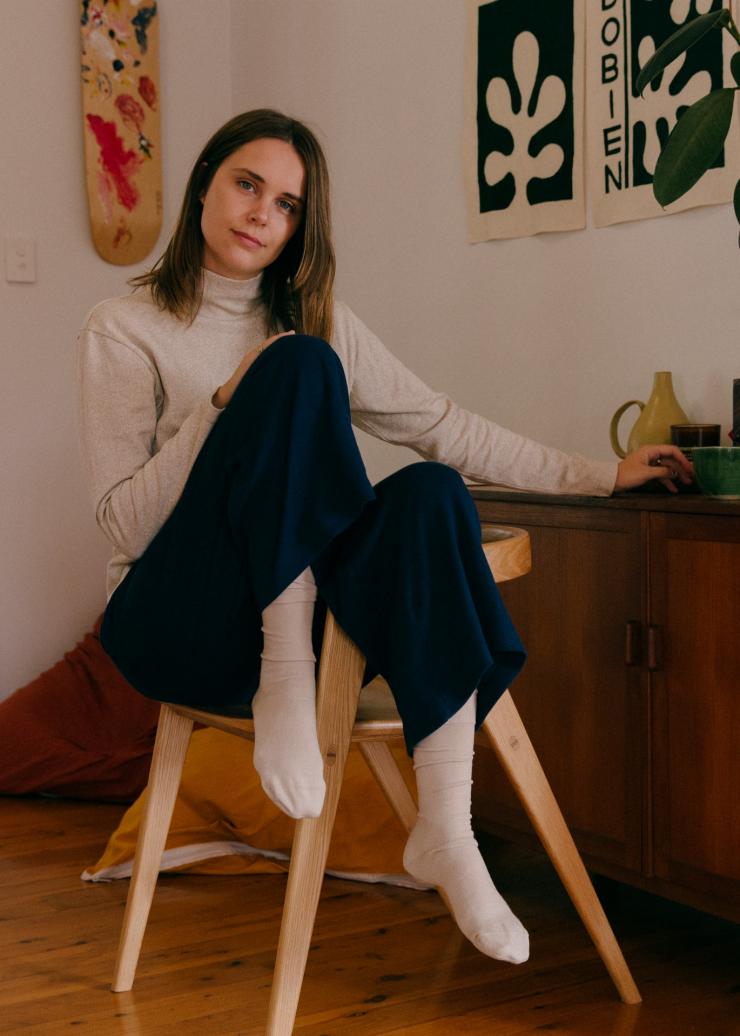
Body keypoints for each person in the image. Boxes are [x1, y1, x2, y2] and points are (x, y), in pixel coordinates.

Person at [77, 109, 692, 968]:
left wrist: (599, 473)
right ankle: (284, 677)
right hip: (176, 623)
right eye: (247, 184)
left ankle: (445, 824)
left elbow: (441, 425)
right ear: (206, 182)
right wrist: (225, 403)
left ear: (301, 225)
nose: (262, 214)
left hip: (293, 619)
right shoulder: (126, 324)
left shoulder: (314, 315)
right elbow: (123, 523)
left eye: (288, 204)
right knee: (296, 368)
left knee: (433, 491)